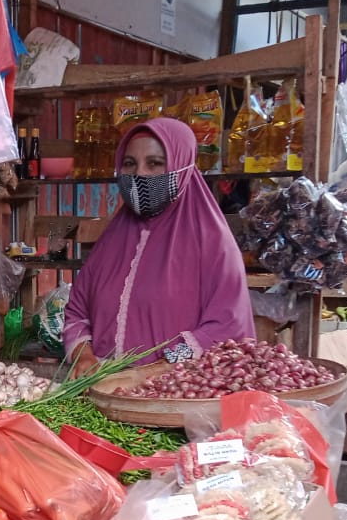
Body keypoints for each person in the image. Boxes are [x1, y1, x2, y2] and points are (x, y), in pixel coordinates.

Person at [64, 118, 255, 377]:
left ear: (182, 166)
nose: (140, 174)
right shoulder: (112, 241)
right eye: (130, 164)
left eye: (154, 163)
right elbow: (77, 310)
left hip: (174, 397)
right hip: (102, 394)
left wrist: (162, 367)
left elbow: (229, 328)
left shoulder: (212, 243)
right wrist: (84, 356)